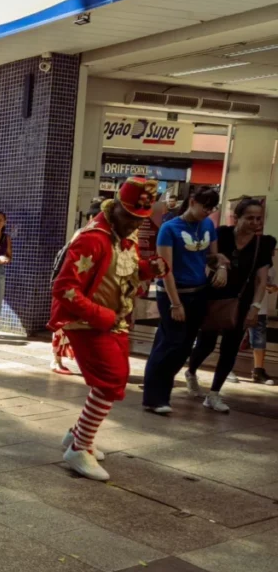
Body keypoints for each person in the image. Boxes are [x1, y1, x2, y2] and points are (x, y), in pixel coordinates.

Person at [50, 176, 169, 480]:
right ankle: (79, 447)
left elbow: (121, 271)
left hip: (113, 321)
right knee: (111, 380)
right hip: (89, 322)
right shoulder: (93, 237)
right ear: (115, 207)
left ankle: (78, 436)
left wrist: (148, 269)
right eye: (130, 217)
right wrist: (102, 316)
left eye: (141, 219)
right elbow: (64, 287)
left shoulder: (122, 235)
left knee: (113, 380)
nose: (134, 225)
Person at [185, 197, 275, 412]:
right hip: (214, 296)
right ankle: (191, 370)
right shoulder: (222, 234)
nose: (255, 222)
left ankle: (214, 394)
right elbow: (207, 257)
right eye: (250, 218)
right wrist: (221, 264)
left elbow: (261, 279)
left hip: (242, 301)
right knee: (205, 344)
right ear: (237, 218)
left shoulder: (264, 244)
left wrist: (255, 307)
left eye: (259, 218)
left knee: (230, 349)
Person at [142, 187, 226, 415]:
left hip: (198, 291)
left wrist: (221, 265)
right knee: (171, 343)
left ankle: (161, 393)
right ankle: (153, 397)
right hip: (173, 292)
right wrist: (175, 303)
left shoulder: (208, 225)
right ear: (192, 201)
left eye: (212, 208)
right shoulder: (169, 229)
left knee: (184, 345)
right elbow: (165, 269)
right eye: (204, 205)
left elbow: (210, 256)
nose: (207, 211)